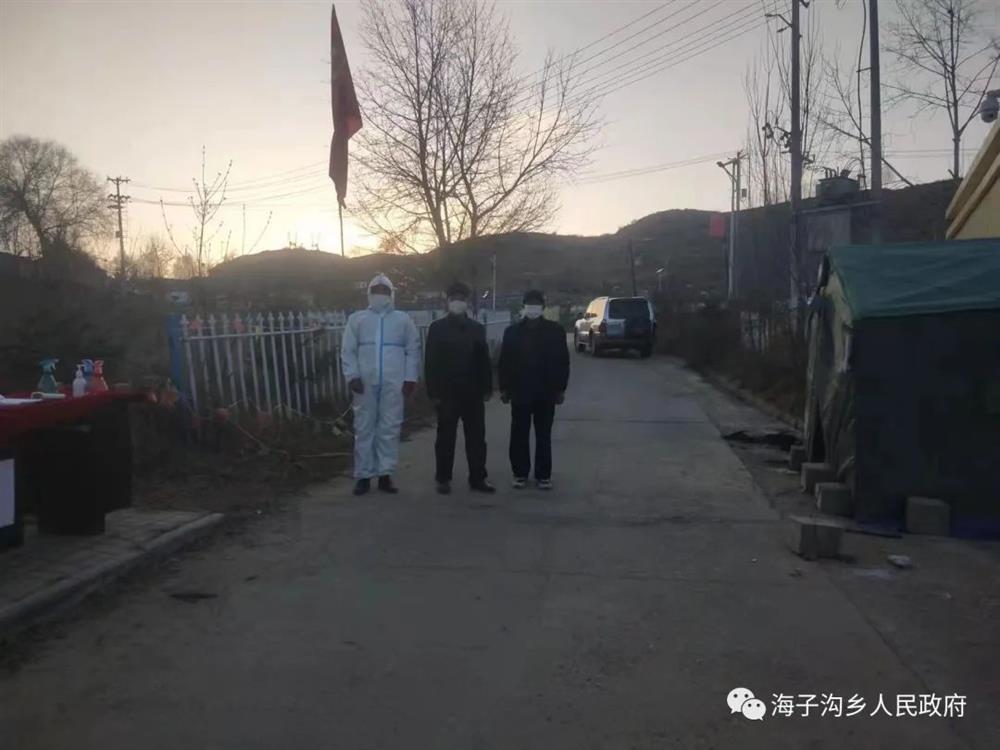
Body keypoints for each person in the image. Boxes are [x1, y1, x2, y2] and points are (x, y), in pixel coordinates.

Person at [341, 273, 421, 496]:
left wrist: (410, 378)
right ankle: (363, 476)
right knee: (364, 427)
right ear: (369, 293)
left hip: (394, 383)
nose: (380, 295)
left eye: (384, 291)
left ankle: (385, 474)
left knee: (390, 427)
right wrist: (352, 376)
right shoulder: (357, 320)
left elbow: (412, 350)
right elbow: (348, 351)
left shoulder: (403, 320)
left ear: (391, 294)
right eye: (376, 291)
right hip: (364, 383)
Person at [424, 282, 495, 495]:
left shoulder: (477, 329)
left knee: (476, 438)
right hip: (447, 393)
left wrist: (487, 387)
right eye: (454, 298)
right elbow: (431, 363)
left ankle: (478, 478)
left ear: (467, 302)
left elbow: (484, 361)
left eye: (461, 299)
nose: (457, 302)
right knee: (445, 438)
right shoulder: (437, 328)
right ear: (447, 302)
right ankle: (443, 478)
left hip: (473, 391)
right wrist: (433, 392)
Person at [498, 290, 570, 490]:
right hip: (520, 391)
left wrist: (560, 389)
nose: (533, 307)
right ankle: (520, 473)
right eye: (529, 303)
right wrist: (504, 388)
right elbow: (504, 362)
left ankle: (543, 475)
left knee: (543, 435)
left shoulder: (555, 331)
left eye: (536, 303)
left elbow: (563, 362)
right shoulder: (512, 332)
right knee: (519, 434)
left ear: (543, 307)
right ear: (524, 306)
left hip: (546, 392)